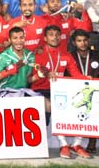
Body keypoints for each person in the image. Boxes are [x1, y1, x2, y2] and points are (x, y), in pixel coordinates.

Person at [27, 25, 88, 159]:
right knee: (57, 105)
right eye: (51, 34)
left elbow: (76, 75)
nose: (54, 37)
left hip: (60, 91)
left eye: (57, 34)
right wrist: (43, 74)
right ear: (45, 38)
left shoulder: (65, 55)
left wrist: (88, 79)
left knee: (84, 103)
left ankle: (77, 144)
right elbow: (29, 79)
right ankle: (63, 144)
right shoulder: (37, 54)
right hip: (41, 90)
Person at [70, 29, 99, 154]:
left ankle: (92, 141)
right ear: (74, 42)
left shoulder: (97, 55)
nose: (83, 43)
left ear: (89, 41)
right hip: (76, 90)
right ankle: (78, 143)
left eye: (85, 40)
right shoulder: (70, 56)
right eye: (79, 41)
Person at [0, 27, 36, 97]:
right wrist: (8, 72)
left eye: (21, 38)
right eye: (15, 38)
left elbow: (28, 79)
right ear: (10, 40)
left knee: (43, 102)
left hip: (23, 90)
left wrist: (38, 76)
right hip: (5, 90)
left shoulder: (30, 55)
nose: (18, 41)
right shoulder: (3, 56)